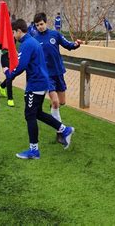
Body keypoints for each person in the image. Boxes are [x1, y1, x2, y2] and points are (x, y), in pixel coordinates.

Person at [4, 19, 75, 159]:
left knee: (30, 115)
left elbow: (21, 65)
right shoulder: (33, 42)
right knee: (37, 113)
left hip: (36, 83)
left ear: (19, 31)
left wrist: (8, 74)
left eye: (13, 32)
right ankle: (64, 129)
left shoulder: (27, 44)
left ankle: (34, 150)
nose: (13, 36)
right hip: (41, 82)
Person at [33, 12, 81, 141]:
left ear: (46, 23)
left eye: (41, 24)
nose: (40, 27)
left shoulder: (55, 34)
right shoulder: (35, 39)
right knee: (55, 102)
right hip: (46, 75)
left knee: (61, 102)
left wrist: (76, 44)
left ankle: (54, 110)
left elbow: (68, 45)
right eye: (37, 25)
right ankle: (60, 131)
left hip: (58, 72)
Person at [0, 22, 15, 107]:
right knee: (9, 75)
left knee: (12, 75)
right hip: (3, 54)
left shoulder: (12, 28)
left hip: (11, 55)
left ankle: (2, 86)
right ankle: (10, 99)